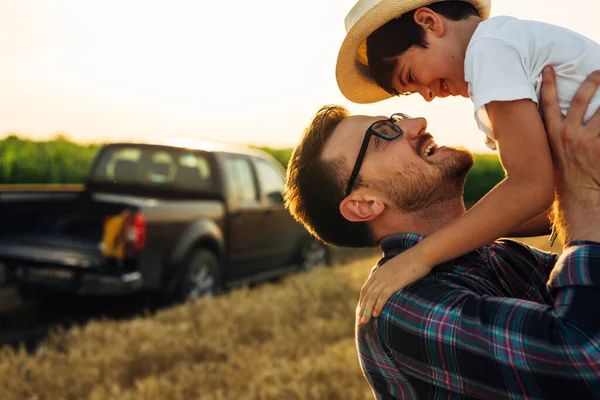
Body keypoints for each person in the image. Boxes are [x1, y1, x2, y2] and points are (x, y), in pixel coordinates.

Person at [284, 67, 600, 399]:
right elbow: (583, 361)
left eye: (396, 118)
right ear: (365, 204)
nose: (417, 122)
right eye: (383, 135)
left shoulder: (504, 257)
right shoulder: (400, 303)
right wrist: (581, 192)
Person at [335, 0, 600, 324]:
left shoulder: (488, 52)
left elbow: (532, 188)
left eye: (411, 76)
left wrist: (422, 255)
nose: (427, 96)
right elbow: (555, 197)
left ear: (429, 22)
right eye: (413, 91)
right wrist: (456, 232)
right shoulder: (506, 46)